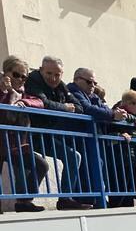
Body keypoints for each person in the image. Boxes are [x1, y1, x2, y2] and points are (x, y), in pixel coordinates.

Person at [24, 56, 91, 209]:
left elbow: (79, 107)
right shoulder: (32, 80)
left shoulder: (61, 85)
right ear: (41, 70)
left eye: (57, 74)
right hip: (29, 133)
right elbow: (42, 103)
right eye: (49, 73)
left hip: (47, 134)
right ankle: (23, 201)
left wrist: (65, 106)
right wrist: (65, 108)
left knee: (74, 156)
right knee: (37, 164)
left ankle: (65, 199)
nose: (53, 78)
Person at [0, 55, 47, 212]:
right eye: (16, 75)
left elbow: (40, 102)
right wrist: (5, 92)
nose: (20, 79)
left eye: (24, 77)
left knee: (41, 165)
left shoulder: (23, 93)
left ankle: (24, 202)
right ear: (6, 72)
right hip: (1, 141)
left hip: (15, 144)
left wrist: (23, 102)